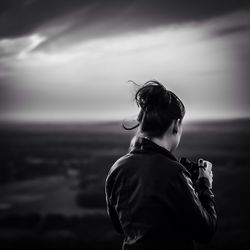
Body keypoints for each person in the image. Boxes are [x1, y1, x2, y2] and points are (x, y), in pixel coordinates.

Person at [105, 80, 217, 250]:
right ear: (175, 124)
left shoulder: (117, 168)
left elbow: (119, 225)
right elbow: (205, 231)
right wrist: (204, 185)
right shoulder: (174, 173)